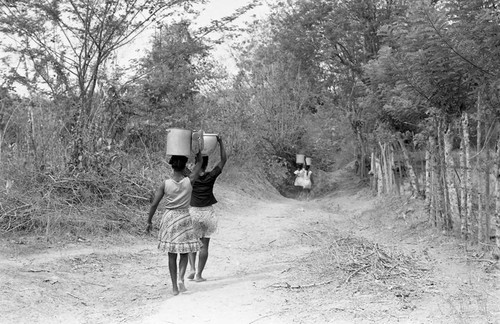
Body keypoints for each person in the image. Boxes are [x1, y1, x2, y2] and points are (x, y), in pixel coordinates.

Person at [146, 151, 203, 296]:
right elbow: (199, 165)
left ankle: (174, 287)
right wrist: (199, 151)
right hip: (184, 217)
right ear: (185, 167)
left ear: (172, 167)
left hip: (170, 218)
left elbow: (154, 204)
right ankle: (181, 278)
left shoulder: (165, 184)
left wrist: (149, 221)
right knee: (184, 251)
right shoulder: (189, 180)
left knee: (171, 254)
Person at [187, 135, 227, 282]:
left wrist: (189, 145)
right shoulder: (211, 176)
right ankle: (198, 275)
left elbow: (179, 163)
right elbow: (223, 160)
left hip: (193, 213)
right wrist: (221, 142)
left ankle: (191, 268)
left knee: (192, 243)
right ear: (206, 164)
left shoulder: (191, 177)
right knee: (204, 246)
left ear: (195, 165)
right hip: (208, 213)